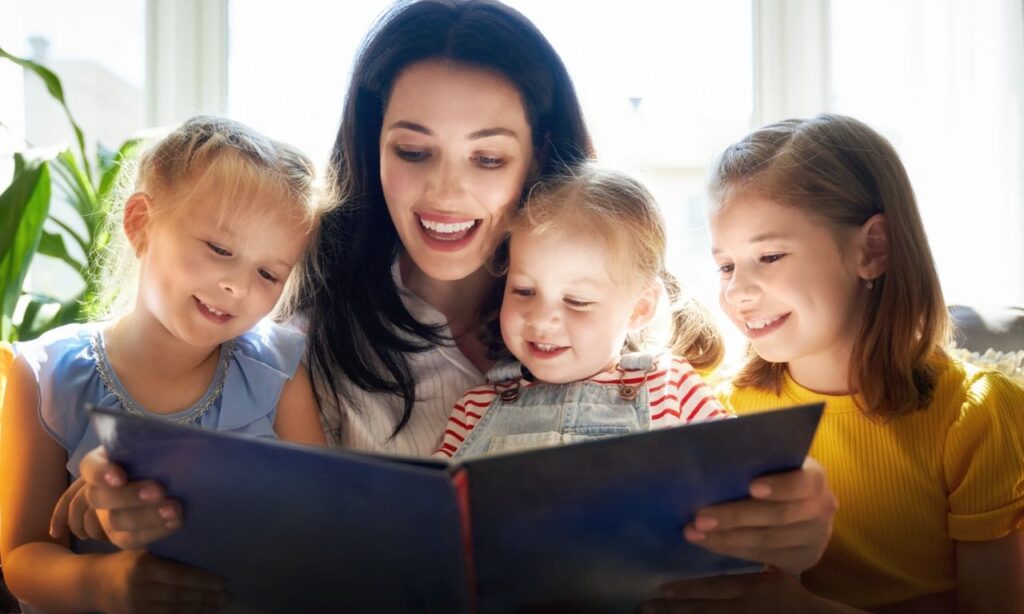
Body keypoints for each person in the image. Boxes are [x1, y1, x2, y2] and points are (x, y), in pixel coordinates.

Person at [63, 0, 837, 593]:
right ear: (372, 152)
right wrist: (108, 509)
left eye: (488, 157)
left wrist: (787, 535)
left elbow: (737, 515)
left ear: (542, 160)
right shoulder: (293, 334)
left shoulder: (629, 317)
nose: (446, 190)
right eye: (413, 149)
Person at [0, 116, 327, 613]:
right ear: (140, 224)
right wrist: (103, 582)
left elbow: (322, 521)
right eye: (219, 249)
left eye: (268, 272)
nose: (237, 286)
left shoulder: (279, 371)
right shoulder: (46, 375)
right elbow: (21, 558)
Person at [703, 114, 1024, 612]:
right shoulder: (717, 412)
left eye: (769, 257)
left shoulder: (978, 415)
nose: (737, 292)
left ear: (872, 249)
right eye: (725, 266)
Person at [436, 163, 729, 459]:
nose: (541, 318)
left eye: (576, 301)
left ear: (639, 309)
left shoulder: (671, 386)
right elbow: (433, 498)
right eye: (524, 291)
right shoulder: (474, 407)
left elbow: (739, 469)